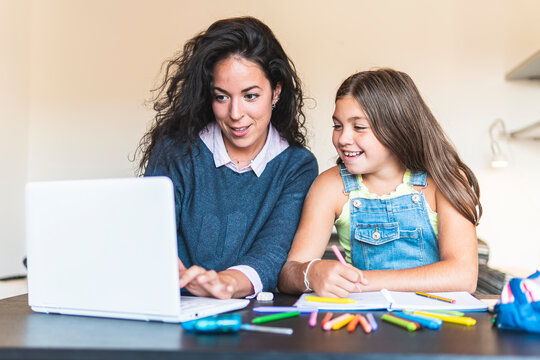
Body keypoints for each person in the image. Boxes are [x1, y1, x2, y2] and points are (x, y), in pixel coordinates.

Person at [136, 17, 318, 299]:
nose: (235, 113)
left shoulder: (296, 166)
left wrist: (226, 283)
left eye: (250, 96)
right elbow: (152, 232)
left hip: (250, 315)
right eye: (221, 97)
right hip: (176, 303)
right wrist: (175, 275)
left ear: (276, 91)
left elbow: (272, 252)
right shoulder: (176, 149)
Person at [278, 68, 482, 297]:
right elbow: (288, 274)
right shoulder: (330, 186)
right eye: (337, 126)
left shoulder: (445, 179)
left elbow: (463, 275)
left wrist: (361, 282)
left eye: (359, 127)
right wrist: (310, 272)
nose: (343, 139)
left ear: (397, 128)